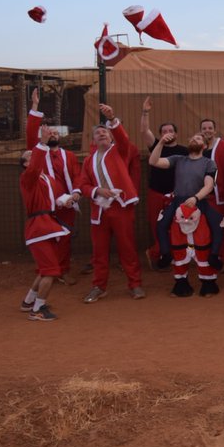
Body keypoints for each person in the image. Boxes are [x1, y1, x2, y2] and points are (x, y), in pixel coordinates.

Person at [78, 104, 146, 303]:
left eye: (105, 132)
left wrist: (113, 119)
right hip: (99, 210)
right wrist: (97, 190)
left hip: (120, 207)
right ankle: (99, 286)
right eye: (98, 133)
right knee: (99, 251)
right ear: (93, 140)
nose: (101, 134)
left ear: (111, 136)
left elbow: (124, 140)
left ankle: (135, 284)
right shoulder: (88, 161)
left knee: (127, 248)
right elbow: (82, 185)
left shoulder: (120, 151)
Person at [149, 131, 221, 297]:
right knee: (160, 225)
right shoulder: (178, 159)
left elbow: (209, 185)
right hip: (178, 203)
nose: (195, 138)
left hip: (199, 202)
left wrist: (196, 198)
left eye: (199, 138)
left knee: (217, 226)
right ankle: (166, 255)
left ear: (204, 145)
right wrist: (160, 144)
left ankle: (214, 261)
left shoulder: (209, 163)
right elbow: (154, 161)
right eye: (193, 136)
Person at [19, 124, 78, 321]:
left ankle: (29, 302)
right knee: (51, 272)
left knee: (46, 269)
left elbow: (58, 197)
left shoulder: (45, 179)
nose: (34, 157)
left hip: (48, 225)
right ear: (26, 164)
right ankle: (38, 309)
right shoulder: (28, 178)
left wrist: (67, 200)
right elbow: (36, 163)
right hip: (40, 227)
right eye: (30, 156)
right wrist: (42, 142)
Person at [26, 88, 82, 284]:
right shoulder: (38, 154)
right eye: (50, 133)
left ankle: (63, 270)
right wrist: (35, 106)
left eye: (56, 133)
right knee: (47, 240)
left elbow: (78, 177)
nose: (53, 135)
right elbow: (31, 134)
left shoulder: (70, 156)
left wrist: (75, 194)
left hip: (66, 204)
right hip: (45, 205)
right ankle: (46, 271)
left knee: (65, 238)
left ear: (60, 137)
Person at [139, 96, 187, 270]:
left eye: (170, 130)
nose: (167, 133)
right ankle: (157, 252)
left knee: (177, 226)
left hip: (177, 196)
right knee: (157, 226)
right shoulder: (155, 147)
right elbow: (144, 131)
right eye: (164, 131)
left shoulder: (184, 150)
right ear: (160, 135)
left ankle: (173, 255)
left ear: (176, 133)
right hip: (157, 194)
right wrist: (145, 112)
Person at [197, 116, 224, 269]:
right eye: (204, 128)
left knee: (220, 228)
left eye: (210, 128)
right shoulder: (196, 147)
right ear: (200, 131)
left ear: (215, 130)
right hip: (199, 196)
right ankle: (206, 258)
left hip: (218, 196)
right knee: (203, 229)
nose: (207, 131)